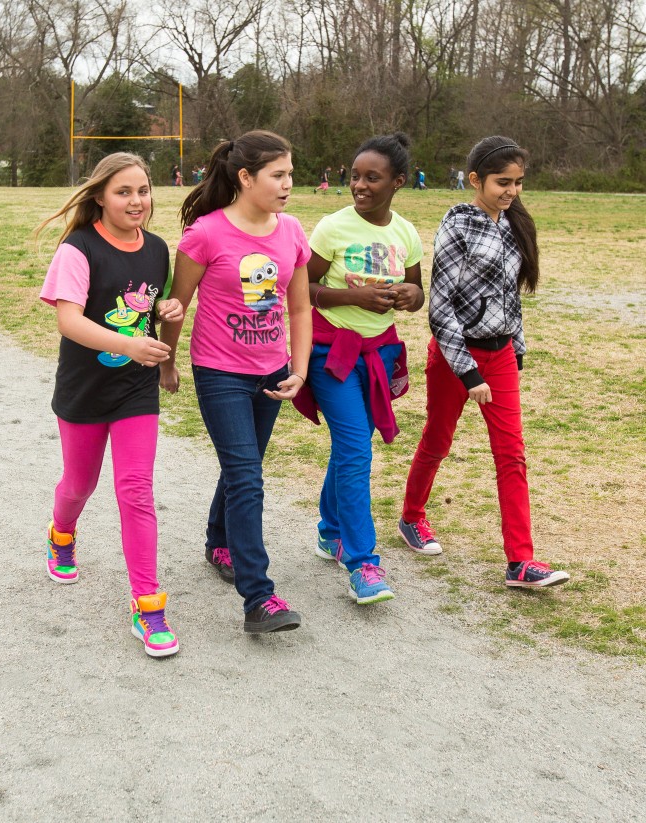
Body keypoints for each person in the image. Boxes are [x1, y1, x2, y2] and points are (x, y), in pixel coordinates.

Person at [158, 131, 312, 633]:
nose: (288, 184)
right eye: (278, 175)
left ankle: (218, 541)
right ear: (245, 178)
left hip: (273, 370)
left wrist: (299, 369)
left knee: (242, 466)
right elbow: (178, 306)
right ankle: (258, 598)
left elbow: (300, 306)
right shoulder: (205, 234)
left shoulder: (291, 232)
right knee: (247, 475)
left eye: (290, 174)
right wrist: (168, 361)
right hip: (220, 371)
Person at [400, 136, 570, 589]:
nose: (511, 191)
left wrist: (517, 346)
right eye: (502, 182)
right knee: (438, 439)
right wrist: (468, 371)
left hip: (500, 356)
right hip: (457, 358)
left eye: (518, 183)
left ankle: (521, 562)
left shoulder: (513, 224)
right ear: (475, 179)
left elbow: (509, 297)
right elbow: (441, 308)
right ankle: (411, 517)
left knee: (512, 455)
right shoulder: (458, 224)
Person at [36, 152, 184, 658]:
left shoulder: (159, 248)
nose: (137, 201)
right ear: (100, 196)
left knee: (136, 489)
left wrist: (168, 311)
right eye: (124, 192)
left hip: (135, 390)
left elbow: (151, 306)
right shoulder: (78, 249)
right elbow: (68, 321)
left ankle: (148, 604)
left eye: (143, 190)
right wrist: (129, 345)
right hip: (83, 389)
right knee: (80, 484)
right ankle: (61, 534)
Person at [296, 132, 425, 605]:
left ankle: (330, 531)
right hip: (332, 354)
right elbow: (303, 289)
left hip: (380, 354)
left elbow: (415, 291)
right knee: (355, 448)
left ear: (398, 182)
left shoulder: (405, 233)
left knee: (353, 446)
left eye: (373, 178)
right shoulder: (332, 227)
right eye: (355, 176)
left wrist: (413, 297)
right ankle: (362, 562)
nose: (360, 185)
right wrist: (353, 296)